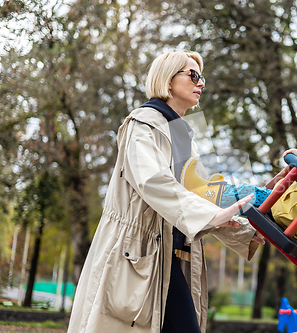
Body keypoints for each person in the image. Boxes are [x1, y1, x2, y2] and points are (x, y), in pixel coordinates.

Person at [67, 51, 264, 333]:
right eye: (192, 75)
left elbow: (202, 196)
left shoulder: (184, 136)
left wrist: (246, 230)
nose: (201, 84)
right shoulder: (142, 124)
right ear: (167, 81)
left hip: (169, 257)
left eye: (202, 77)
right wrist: (212, 215)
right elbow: (153, 182)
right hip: (136, 252)